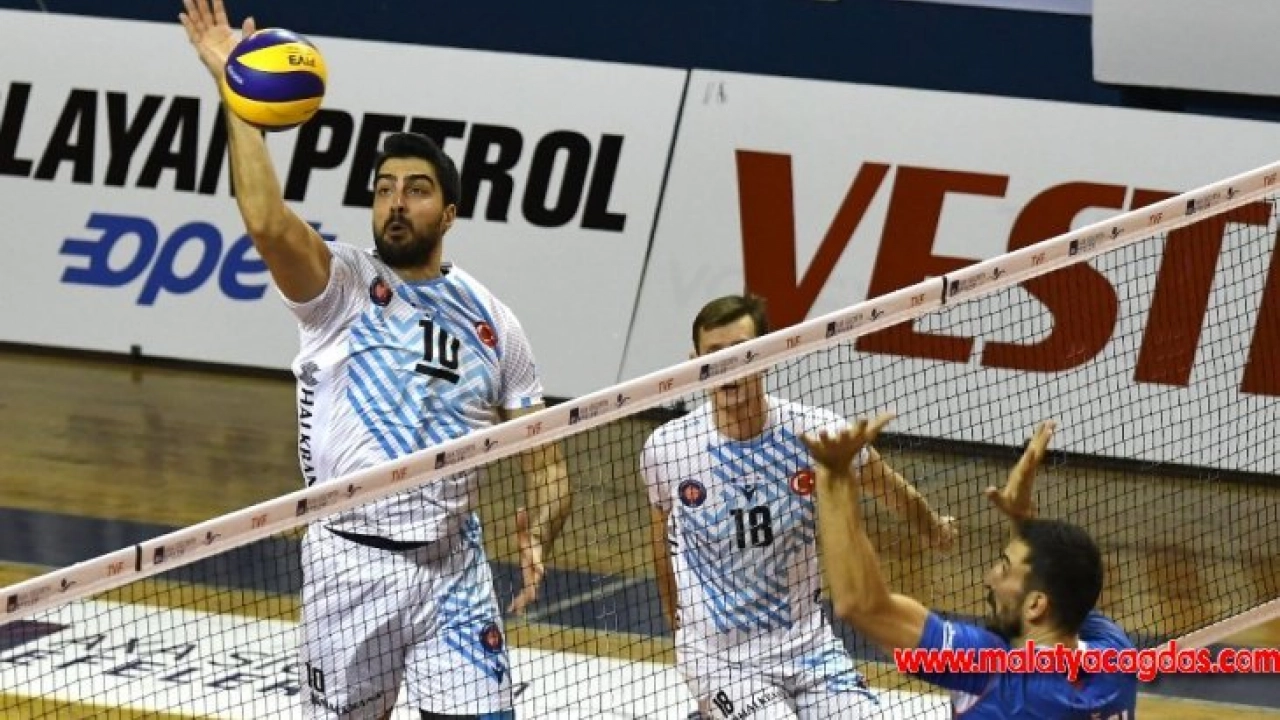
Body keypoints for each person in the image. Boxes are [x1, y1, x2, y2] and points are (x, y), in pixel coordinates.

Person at [178, 2, 573, 718]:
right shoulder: (342, 287)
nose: (395, 202)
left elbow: (544, 460)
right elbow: (265, 221)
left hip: (452, 569)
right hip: (348, 565)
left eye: (416, 190)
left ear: (448, 214)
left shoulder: (494, 323)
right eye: (385, 188)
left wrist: (541, 531)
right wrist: (237, 93)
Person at [641, 294, 957, 719]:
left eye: (740, 351)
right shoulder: (668, 448)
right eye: (714, 354)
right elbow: (662, 537)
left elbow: (887, 486)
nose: (727, 366)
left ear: (766, 355)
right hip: (721, 659)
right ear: (695, 362)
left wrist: (932, 527)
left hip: (810, 647)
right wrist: (680, 628)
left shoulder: (815, 434)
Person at [806, 417, 1138, 718]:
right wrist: (1022, 521)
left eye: (1004, 569)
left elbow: (862, 606)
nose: (989, 577)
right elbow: (1065, 585)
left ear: (1036, 604)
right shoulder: (1117, 659)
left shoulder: (991, 670)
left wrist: (835, 477)